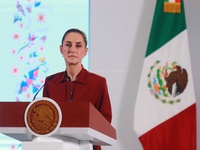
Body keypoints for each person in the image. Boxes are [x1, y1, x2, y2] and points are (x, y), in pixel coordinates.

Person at [42, 28, 112, 150]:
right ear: (61, 50)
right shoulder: (51, 82)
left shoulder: (98, 83)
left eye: (78, 46)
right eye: (68, 45)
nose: (72, 50)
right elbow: (45, 119)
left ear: (85, 51)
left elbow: (105, 121)